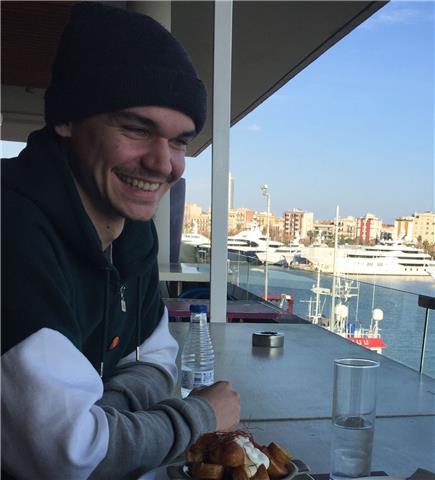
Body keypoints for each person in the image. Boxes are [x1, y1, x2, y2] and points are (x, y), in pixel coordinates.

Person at [1, 2, 240, 479]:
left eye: (180, 142)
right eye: (136, 128)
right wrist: (202, 417)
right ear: (67, 119)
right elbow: (67, 459)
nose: (163, 163)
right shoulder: (13, 228)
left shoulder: (131, 234)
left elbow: (159, 357)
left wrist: (103, 414)